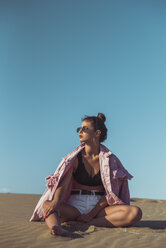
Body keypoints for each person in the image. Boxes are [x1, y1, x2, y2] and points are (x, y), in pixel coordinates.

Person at [30, 113, 142, 236]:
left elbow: (110, 192)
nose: (80, 131)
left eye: (84, 129)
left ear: (97, 133)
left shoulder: (110, 160)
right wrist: (55, 202)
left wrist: (91, 215)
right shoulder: (74, 159)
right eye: (79, 129)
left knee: (135, 212)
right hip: (75, 205)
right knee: (48, 204)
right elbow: (63, 185)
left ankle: (88, 224)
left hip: (99, 207)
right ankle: (56, 228)